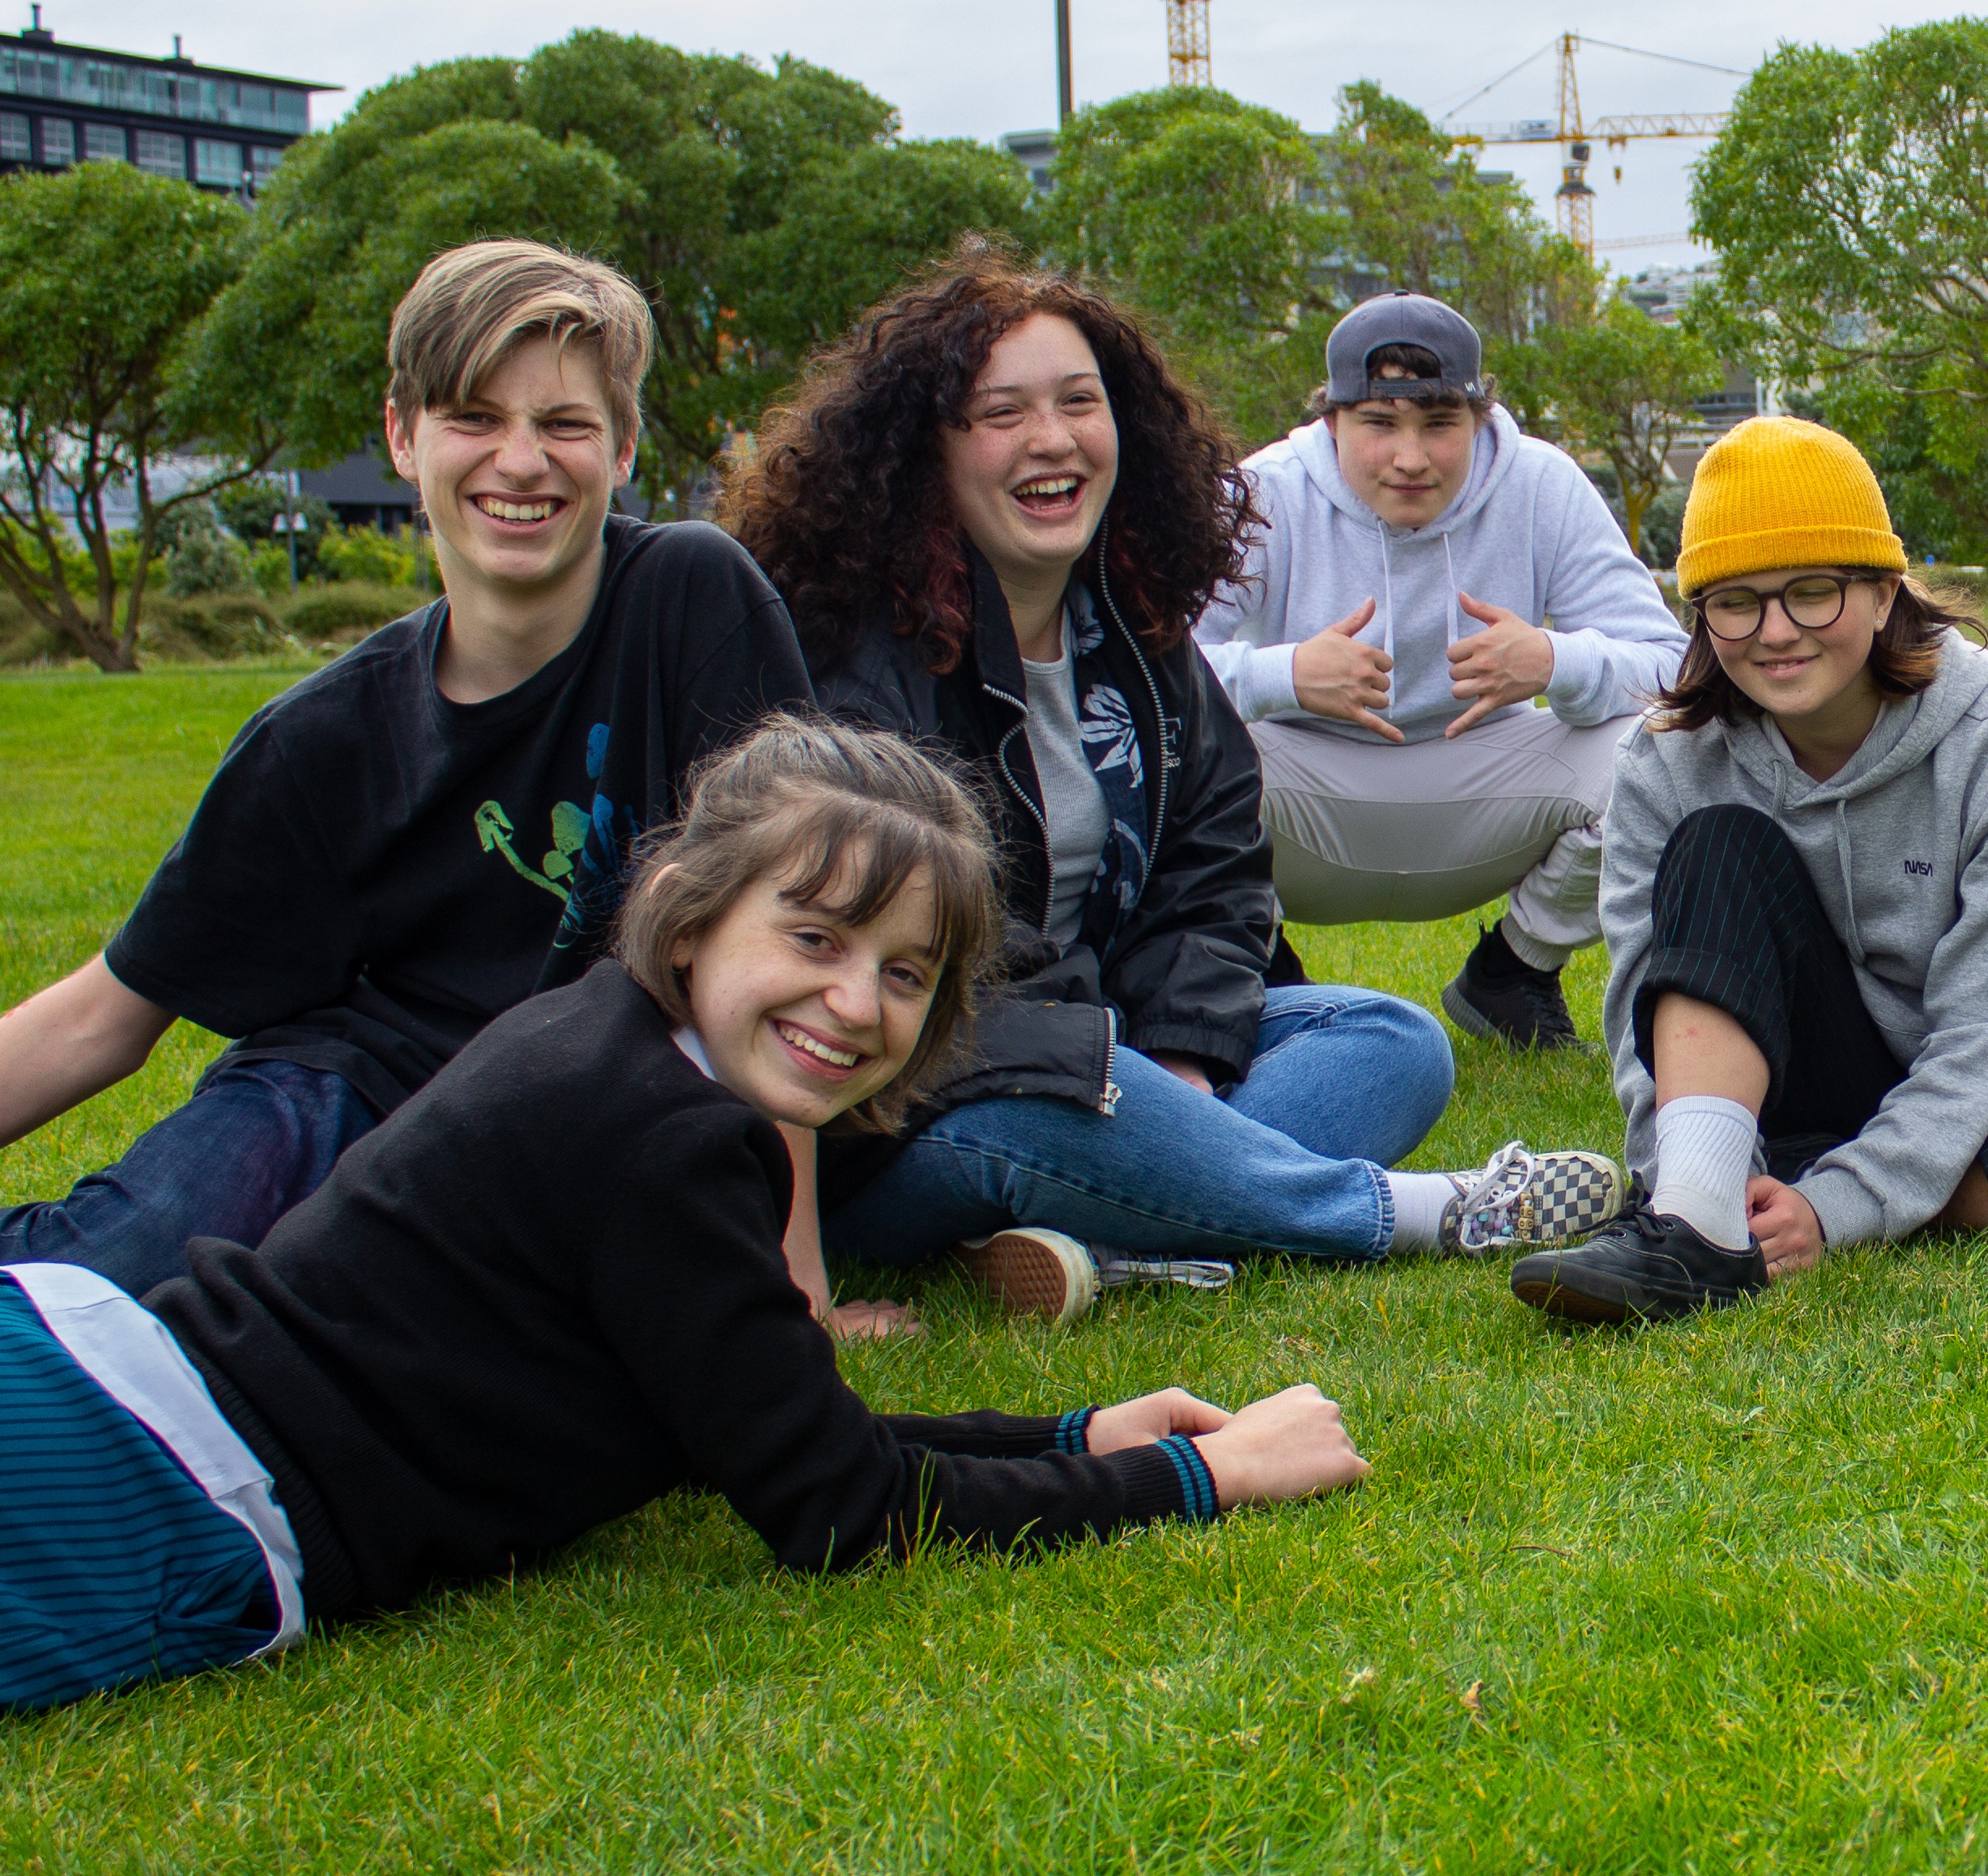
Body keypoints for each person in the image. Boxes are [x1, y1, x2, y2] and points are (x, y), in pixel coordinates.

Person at [0, 714, 1370, 1715]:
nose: (855, 1004)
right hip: (141, 1486)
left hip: (97, 1382)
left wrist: (1074, 1429)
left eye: (905, 973)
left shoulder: (617, 1051)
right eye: (815, 939)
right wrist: (1201, 1477)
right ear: (689, 914)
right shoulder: (662, 1136)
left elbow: (766, 1424)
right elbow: (841, 1509)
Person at [719, 254, 1616, 1324]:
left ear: (1124, 430)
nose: (1051, 439)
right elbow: (913, 948)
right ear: (928, 451)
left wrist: (1184, 1060)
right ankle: (1425, 1212)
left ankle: (1091, 1234)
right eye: (1000, 413)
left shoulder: (1136, 633)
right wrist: (1111, 1070)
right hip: (909, 1098)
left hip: (1112, 1052)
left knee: (1390, 1041)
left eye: (1079, 403)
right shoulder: (866, 656)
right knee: (1066, 1109)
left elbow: (1214, 869)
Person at [0, 240, 812, 1303]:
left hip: (582, 1135)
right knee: (119, 1277)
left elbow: (795, 927)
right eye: (473, 417)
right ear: (401, 435)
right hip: (344, 1096)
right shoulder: (321, 739)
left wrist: (794, 1278)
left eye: (563, 423)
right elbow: (104, 1017)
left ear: (620, 452)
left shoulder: (690, 599)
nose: (520, 462)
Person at [1507, 417, 1988, 1324]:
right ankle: (1697, 1221)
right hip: (1805, 1062)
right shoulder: (1669, 761)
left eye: (1812, 593)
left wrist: (1837, 1206)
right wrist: (1666, 1165)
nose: (1775, 633)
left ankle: (1795, 1183)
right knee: (1719, 846)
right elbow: (1643, 1006)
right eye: (1735, 602)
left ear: (1886, 593)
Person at [1192, 294, 1687, 1049]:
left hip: (1484, 786)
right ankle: (1267, 976)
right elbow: (1147, 670)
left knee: (1670, 743)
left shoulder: (1541, 483)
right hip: (1303, 796)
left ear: (1481, 417)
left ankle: (1516, 970)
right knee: (1172, 749)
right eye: (1380, 423)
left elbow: (1673, 667)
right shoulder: (1262, 491)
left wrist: (1554, 660)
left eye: (1440, 424)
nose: (1411, 457)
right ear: (1332, 422)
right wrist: (1284, 676)